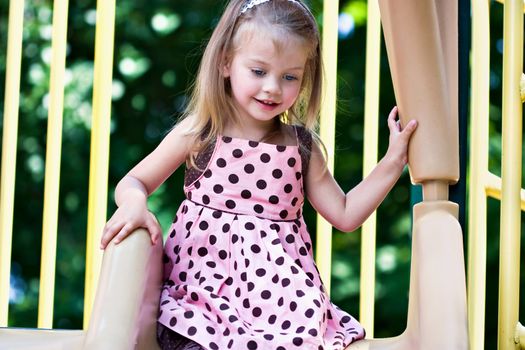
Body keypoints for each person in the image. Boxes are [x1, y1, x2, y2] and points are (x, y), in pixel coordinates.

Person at [101, 0, 417, 348]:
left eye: (289, 77)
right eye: (258, 71)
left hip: (281, 307)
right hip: (202, 299)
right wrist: (133, 204)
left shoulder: (302, 147)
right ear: (225, 63)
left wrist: (393, 160)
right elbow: (135, 180)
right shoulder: (202, 132)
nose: (272, 88)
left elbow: (345, 213)